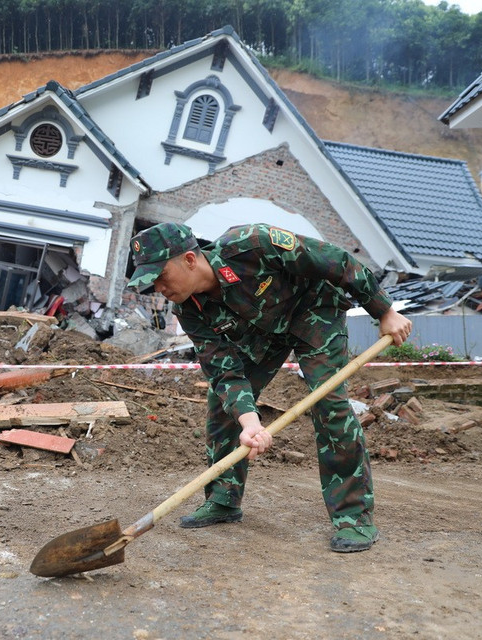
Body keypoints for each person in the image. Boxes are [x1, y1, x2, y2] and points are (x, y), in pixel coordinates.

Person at [127, 222, 412, 553]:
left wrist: (384, 310)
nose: (158, 287)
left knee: (329, 404)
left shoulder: (252, 245)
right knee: (223, 406)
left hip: (314, 312)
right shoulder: (189, 309)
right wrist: (250, 423)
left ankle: (354, 518)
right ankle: (223, 500)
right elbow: (225, 373)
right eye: (151, 282)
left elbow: (335, 260)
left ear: (189, 259)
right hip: (261, 334)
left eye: (161, 276)